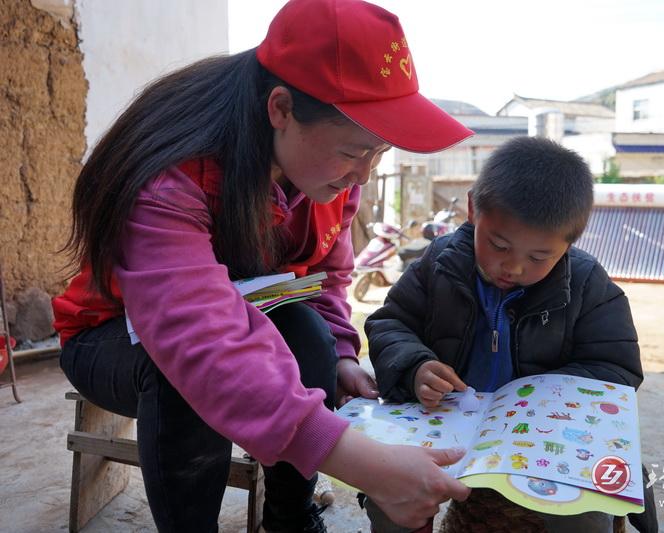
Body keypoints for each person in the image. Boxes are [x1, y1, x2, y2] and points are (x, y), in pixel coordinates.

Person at [52, 1, 474, 531]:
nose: (362, 175)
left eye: (379, 153)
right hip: (111, 337)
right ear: (280, 109)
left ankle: (290, 516)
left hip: (228, 320)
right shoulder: (171, 176)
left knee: (311, 335)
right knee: (183, 376)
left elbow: (325, 278)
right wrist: (367, 466)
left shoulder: (326, 177)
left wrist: (342, 354)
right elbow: (200, 339)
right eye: (354, 151)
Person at [364, 136, 657, 532]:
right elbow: (390, 322)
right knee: (394, 497)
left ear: (570, 242)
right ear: (472, 210)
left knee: (585, 518)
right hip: (441, 424)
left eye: (539, 257)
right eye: (498, 245)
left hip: (543, 438)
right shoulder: (439, 263)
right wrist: (415, 365)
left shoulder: (587, 283)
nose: (514, 267)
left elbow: (615, 368)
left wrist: (544, 399)